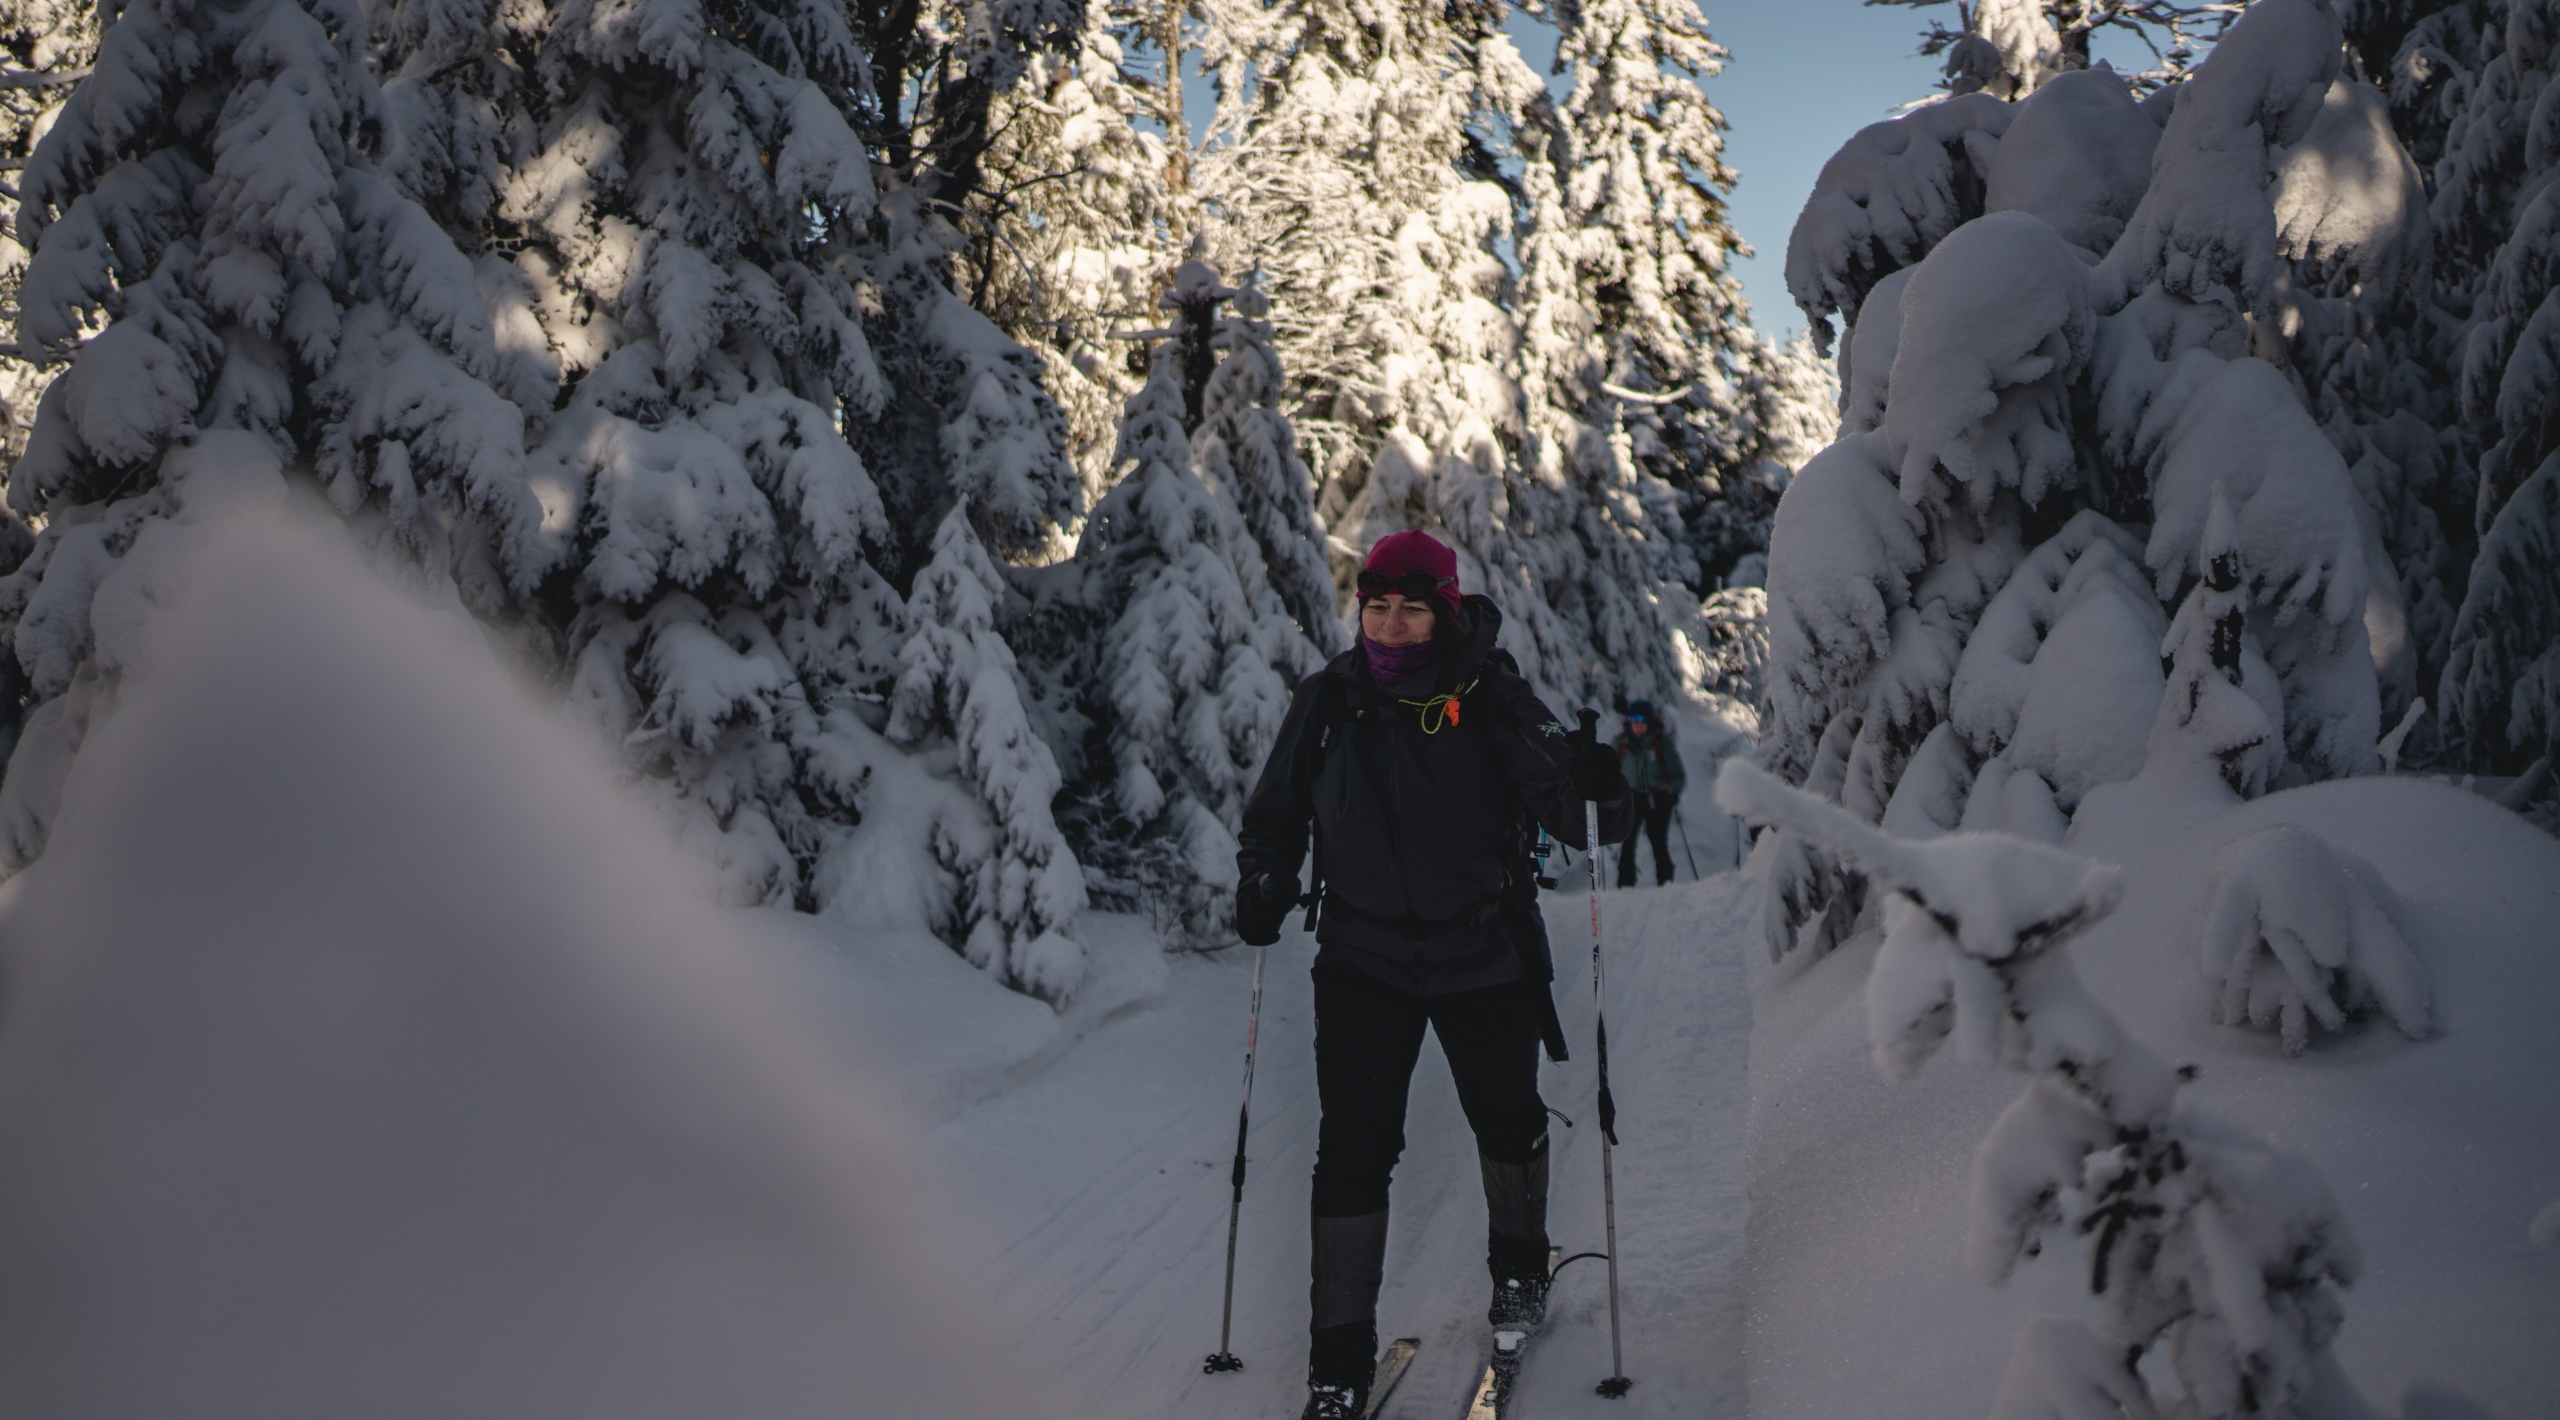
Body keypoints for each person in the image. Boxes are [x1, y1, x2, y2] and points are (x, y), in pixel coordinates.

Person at [1233, 530, 1635, 1420]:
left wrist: (1605, 787)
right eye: (1377, 605)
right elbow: (1275, 814)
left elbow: (1573, 812)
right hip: (1362, 959)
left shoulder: (1491, 696)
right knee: (1352, 1152)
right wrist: (1263, 879)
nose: (1392, 622)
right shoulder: (1329, 700)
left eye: (1412, 607)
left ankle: (1521, 1276)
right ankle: (1337, 1367)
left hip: (1483, 954)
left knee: (1506, 1120)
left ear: (1444, 610)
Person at [1613, 699, 1686, 888]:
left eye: (1642, 722)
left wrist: (1672, 790)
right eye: (1634, 721)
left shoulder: (1661, 742)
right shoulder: (1621, 743)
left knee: (1658, 842)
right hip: (1631, 799)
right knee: (1627, 843)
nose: (1637, 726)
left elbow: (1678, 774)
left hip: (1658, 799)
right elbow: (1608, 772)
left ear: (1650, 722)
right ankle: (1625, 885)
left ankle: (1666, 884)